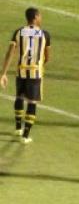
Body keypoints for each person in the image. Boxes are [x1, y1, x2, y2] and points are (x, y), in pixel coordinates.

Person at [0, 8, 50, 144]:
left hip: (21, 71)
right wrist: (40, 62)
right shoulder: (45, 34)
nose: (41, 18)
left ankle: (18, 128)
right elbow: (47, 57)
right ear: (35, 17)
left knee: (19, 97)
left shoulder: (18, 32)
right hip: (35, 73)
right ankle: (25, 136)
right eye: (40, 16)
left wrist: (3, 73)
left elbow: (10, 53)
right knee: (32, 102)